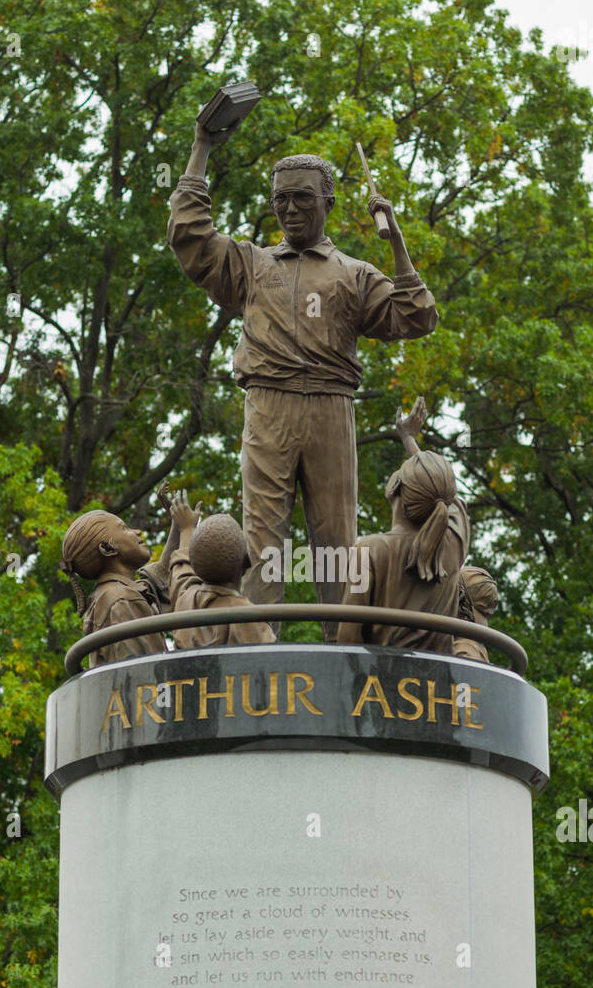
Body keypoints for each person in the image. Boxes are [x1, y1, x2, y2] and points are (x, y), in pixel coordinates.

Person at [167, 116, 438, 635]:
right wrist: (201, 145)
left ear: (328, 203)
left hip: (332, 408)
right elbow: (190, 236)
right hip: (267, 404)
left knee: (337, 542)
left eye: (303, 199)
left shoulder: (353, 274)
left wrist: (397, 242)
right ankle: (259, 647)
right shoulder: (251, 265)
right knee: (263, 539)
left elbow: (416, 315)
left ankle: (346, 649)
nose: (290, 209)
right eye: (281, 199)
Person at [395, 397, 498, 661]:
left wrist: (408, 438)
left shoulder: (383, 552)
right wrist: (409, 439)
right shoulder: (452, 550)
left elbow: (437, 490)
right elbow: (446, 498)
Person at [335, 451, 464, 655]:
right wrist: (411, 441)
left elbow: (348, 636)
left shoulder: (368, 550)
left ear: (395, 486)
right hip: (439, 680)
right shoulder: (451, 549)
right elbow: (451, 500)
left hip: (382, 678)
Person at [60, 508, 174, 667]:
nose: (138, 532)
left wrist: (180, 526)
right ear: (107, 548)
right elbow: (143, 674)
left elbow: (157, 580)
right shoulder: (121, 600)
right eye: (125, 528)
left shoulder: (114, 594)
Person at [166, 490, 275, 649]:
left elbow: (182, 573)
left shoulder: (185, 602)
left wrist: (186, 529)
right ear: (246, 562)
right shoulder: (253, 620)